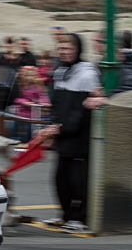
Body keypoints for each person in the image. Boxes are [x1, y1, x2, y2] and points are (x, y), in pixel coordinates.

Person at [39, 33, 100, 232]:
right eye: (61, 48)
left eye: (68, 48)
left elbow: (81, 111)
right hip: (62, 135)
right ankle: (65, 215)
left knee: (78, 181)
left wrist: (62, 128)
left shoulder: (87, 73)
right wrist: (52, 126)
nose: (64, 52)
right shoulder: (60, 72)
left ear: (77, 50)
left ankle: (79, 218)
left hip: (79, 138)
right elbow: (56, 105)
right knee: (60, 179)